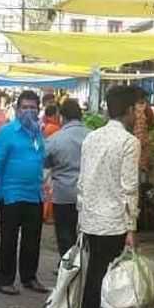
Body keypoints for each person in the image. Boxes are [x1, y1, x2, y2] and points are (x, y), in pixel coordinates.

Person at [77, 86, 140, 308]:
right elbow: (129, 188)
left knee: (94, 276)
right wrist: (132, 226)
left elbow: (82, 181)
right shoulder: (128, 142)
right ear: (128, 111)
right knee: (101, 280)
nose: (139, 115)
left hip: (91, 218)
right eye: (138, 109)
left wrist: (83, 214)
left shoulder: (92, 137)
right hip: (112, 221)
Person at [0, 90, 48, 295]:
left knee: (33, 240)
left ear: (38, 110)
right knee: (9, 240)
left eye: (33, 108)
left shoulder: (38, 132)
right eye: (25, 107)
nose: (29, 111)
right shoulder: (7, 132)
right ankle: (4, 280)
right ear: (17, 109)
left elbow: (42, 160)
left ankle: (29, 277)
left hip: (34, 194)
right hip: (11, 194)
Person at [45, 99, 88, 258]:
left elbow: (45, 160)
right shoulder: (92, 136)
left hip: (62, 195)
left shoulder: (56, 138)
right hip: (87, 195)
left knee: (65, 235)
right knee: (84, 235)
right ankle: (82, 265)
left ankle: (67, 267)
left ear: (62, 117)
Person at [132, 89, 154, 172]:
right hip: (139, 149)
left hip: (139, 149)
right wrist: (149, 137)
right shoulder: (139, 112)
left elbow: (153, 122)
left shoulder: (138, 110)